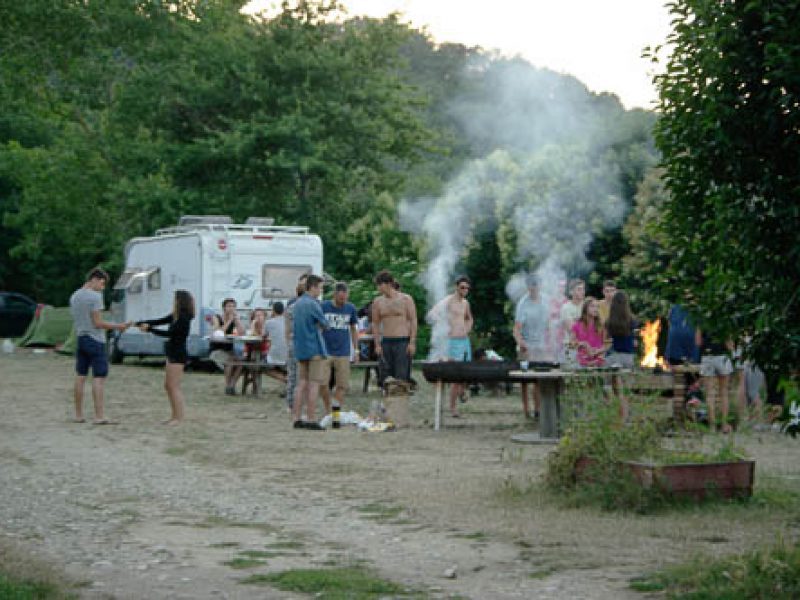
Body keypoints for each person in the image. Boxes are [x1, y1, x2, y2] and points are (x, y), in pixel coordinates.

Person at [69, 267, 131, 424]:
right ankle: (99, 416)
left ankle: (78, 414)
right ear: (94, 280)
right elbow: (97, 323)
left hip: (81, 338)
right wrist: (119, 326)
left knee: (80, 376)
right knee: (99, 377)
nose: (103, 287)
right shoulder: (95, 297)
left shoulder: (75, 296)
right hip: (95, 341)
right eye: (102, 284)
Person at [137, 290, 195, 425]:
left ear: (180, 301)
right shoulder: (175, 316)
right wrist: (141, 323)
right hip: (171, 352)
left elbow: (169, 333)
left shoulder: (184, 318)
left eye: (175, 299)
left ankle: (178, 417)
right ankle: (173, 416)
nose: (173, 302)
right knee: (168, 385)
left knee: (174, 386)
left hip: (178, 354)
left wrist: (150, 330)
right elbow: (160, 321)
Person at [428, 276, 474, 418]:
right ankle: (453, 408)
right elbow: (432, 314)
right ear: (456, 287)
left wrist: (467, 329)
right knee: (455, 376)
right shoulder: (447, 301)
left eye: (467, 288)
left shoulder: (465, 303)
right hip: (452, 342)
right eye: (462, 287)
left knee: (465, 373)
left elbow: (469, 318)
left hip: (464, 340)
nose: (465, 290)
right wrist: (444, 328)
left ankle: (461, 393)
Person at [292, 274, 329, 430]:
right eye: (320, 288)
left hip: (300, 347)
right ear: (312, 287)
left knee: (301, 384)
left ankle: (296, 417)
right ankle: (311, 418)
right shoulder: (313, 304)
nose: (320, 291)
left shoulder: (297, 303)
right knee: (314, 384)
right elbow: (325, 324)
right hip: (314, 348)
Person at [512, 274, 550, 419]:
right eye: (531, 285)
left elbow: (549, 325)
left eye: (536, 284)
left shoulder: (546, 300)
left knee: (540, 379)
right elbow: (516, 329)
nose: (534, 288)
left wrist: (550, 342)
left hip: (541, 345)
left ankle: (539, 410)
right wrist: (521, 343)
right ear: (528, 287)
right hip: (526, 345)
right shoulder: (523, 303)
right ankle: (526, 410)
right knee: (525, 380)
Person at [372, 270, 417, 385]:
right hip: (386, 342)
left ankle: (401, 402)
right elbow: (375, 323)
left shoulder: (406, 299)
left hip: (402, 342)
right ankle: (388, 401)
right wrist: (377, 344)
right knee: (386, 379)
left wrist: (412, 342)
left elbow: (413, 320)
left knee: (401, 379)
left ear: (388, 284)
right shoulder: (378, 302)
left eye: (379, 285)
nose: (378, 288)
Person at [320, 282, 359, 414]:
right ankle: (327, 407)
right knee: (323, 383)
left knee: (342, 384)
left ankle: (336, 410)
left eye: (345, 298)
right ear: (335, 295)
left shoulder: (350, 308)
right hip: (326, 350)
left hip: (343, 351)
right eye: (341, 298)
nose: (343, 301)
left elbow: (353, 329)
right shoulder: (324, 306)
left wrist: (356, 349)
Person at [605, 290, 638, 419]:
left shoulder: (609, 321)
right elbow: (635, 342)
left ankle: (613, 415)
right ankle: (625, 416)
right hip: (627, 357)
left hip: (613, 356)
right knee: (625, 390)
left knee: (612, 388)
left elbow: (608, 340)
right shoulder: (632, 320)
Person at [696, 329, 734, 432]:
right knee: (724, 392)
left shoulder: (700, 319)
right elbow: (729, 345)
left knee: (709, 394)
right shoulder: (723, 319)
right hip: (722, 357)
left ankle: (712, 426)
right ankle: (724, 424)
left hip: (707, 357)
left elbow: (698, 342)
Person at [284, 276, 308, 411]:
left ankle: (291, 404)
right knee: (302, 376)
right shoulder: (311, 306)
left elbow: (287, 329)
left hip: (293, 342)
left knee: (293, 375)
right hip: (304, 344)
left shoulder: (291, 307)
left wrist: (288, 342)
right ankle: (299, 404)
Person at [212, 298, 244, 395]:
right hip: (217, 350)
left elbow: (242, 333)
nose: (231, 308)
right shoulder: (216, 317)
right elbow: (218, 332)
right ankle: (228, 386)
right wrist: (229, 321)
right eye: (229, 306)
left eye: (233, 306)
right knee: (229, 362)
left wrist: (237, 320)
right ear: (224, 308)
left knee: (240, 363)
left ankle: (232, 385)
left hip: (229, 350)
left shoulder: (234, 319)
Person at [572, 297, 609, 367]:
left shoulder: (601, 325)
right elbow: (572, 344)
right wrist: (584, 344)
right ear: (585, 308)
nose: (595, 309)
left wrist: (597, 351)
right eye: (592, 306)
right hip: (582, 362)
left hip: (598, 361)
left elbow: (607, 345)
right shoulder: (577, 325)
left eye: (597, 307)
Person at [560, 278, 585, 365]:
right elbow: (572, 329)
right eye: (579, 289)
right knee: (570, 376)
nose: (582, 292)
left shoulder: (587, 306)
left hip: (587, 348)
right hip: (571, 348)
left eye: (583, 289)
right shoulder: (566, 308)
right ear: (571, 292)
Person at [265, 302, 287, 368]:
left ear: (273, 311)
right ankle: (284, 377)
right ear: (284, 311)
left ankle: (283, 378)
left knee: (262, 368)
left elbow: (264, 336)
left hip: (274, 356)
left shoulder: (269, 322)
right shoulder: (289, 322)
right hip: (288, 356)